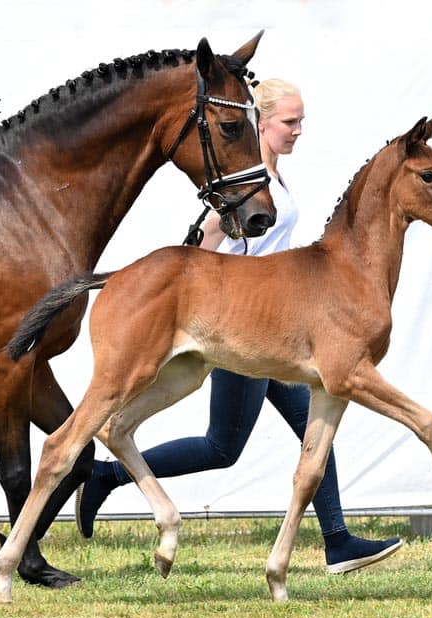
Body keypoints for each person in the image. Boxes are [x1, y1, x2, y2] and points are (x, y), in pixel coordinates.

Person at [75, 78, 403, 575]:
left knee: (310, 428)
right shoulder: (246, 184)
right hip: (247, 325)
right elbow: (201, 247)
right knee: (227, 445)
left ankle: (337, 541)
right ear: (262, 123)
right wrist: (196, 310)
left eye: (300, 121)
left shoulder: (271, 179)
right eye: (289, 122)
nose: (298, 131)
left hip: (285, 320)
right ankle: (108, 475)